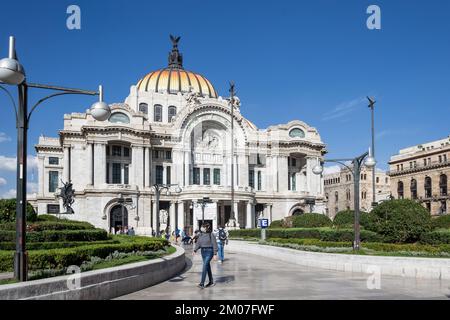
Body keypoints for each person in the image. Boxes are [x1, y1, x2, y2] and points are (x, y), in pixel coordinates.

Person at [193, 222, 218, 289]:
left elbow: (214, 244)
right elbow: (198, 243)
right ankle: (211, 281)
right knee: (207, 266)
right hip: (203, 252)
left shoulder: (211, 234)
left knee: (204, 266)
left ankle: (202, 283)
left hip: (210, 251)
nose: (202, 228)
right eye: (202, 226)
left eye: (203, 227)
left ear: (207, 227)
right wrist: (195, 250)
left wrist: (215, 254)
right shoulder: (200, 235)